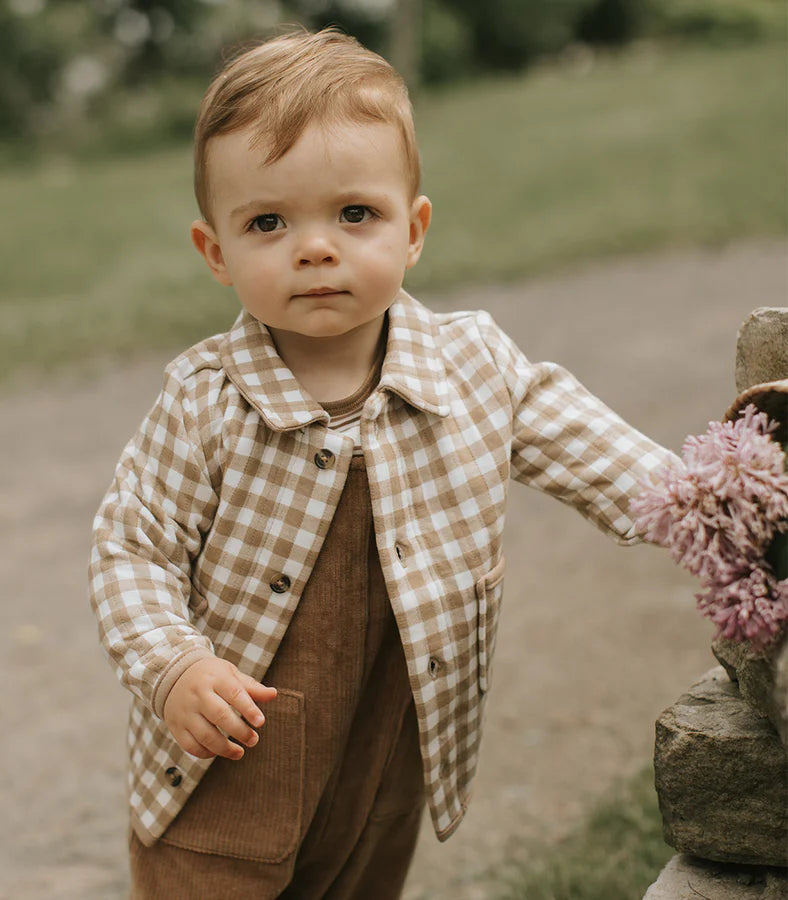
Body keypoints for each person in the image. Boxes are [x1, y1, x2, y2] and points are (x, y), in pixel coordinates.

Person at [89, 27, 674, 899]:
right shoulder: (206, 402)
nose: (315, 247)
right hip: (227, 767)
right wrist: (174, 665)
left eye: (354, 214)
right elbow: (131, 548)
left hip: (382, 753)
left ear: (414, 229)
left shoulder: (472, 368)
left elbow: (600, 455)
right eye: (268, 222)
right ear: (216, 253)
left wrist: (710, 503)